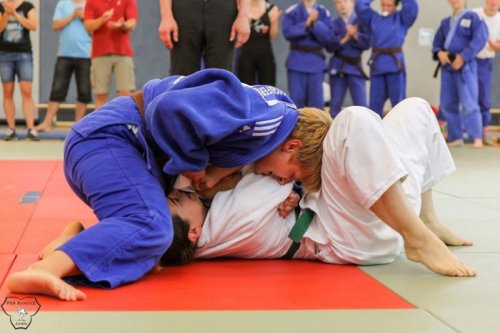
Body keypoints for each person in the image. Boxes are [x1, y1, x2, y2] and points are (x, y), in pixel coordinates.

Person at [5, 68, 331, 301]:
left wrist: (298, 193)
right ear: (292, 147)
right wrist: (196, 166)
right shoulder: (264, 117)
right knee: (150, 226)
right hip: (114, 139)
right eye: (294, 176)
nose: (284, 181)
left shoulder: (270, 124)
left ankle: (71, 244)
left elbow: (246, 163)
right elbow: (168, 108)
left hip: (121, 153)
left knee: (161, 247)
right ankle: (46, 270)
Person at [162, 98, 475, 278]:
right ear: (193, 233)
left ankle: (427, 220)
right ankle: (418, 239)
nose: (178, 191)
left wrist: (295, 187)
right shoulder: (220, 227)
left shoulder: (210, 208)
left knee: (416, 109)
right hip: (349, 236)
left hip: (381, 209)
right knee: (352, 121)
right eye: (175, 200)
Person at [433, 0, 488, 148]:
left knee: (469, 102)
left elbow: (480, 39)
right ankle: (455, 136)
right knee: (447, 103)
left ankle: (477, 136)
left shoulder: (473, 17)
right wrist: (439, 53)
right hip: (447, 67)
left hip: (465, 66)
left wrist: (463, 57)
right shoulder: (445, 22)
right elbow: (437, 42)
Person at [36, 0, 91, 133]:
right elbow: (56, 25)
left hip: (85, 54)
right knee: (57, 89)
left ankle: (78, 126)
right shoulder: (63, 3)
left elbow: (95, 27)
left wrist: (84, 17)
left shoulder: (90, 3)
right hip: (64, 54)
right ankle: (47, 123)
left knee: (83, 91)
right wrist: (73, 15)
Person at [356, 0, 418, 118]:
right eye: (383, 5)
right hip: (378, 65)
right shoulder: (373, 18)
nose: (385, 8)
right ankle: (375, 133)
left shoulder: (402, 19)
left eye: (389, 5)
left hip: (395, 65)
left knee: (399, 104)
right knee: (375, 104)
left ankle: (401, 132)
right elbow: (360, 6)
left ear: (396, 5)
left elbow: (412, 6)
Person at [158, 0, 251, 75]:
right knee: (182, 76)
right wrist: (166, 16)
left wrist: (244, 16)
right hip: (184, 8)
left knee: (220, 75)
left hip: (223, 9)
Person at [83, 0, 138, 109]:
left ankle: (125, 125)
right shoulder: (91, 2)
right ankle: (101, 125)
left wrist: (122, 25)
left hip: (123, 52)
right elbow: (88, 26)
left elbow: (132, 23)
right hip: (100, 53)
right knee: (100, 94)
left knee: (126, 94)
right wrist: (102, 19)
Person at [0, 0, 38, 140]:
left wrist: (15, 13)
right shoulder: (1, 6)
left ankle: (31, 129)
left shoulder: (28, 6)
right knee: (7, 91)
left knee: (26, 90)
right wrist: (6, 13)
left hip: (24, 54)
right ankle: (11, 129)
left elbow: (33, 26)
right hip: (5, 54)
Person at [325, 0, 369, 117]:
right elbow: (329, 46)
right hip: (338, 66)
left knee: (362, 106)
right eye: (338, 2)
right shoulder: (333, 23)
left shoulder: (361, 22)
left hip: (355, 67)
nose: (342, 5)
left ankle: (363, 133)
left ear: (353, 2)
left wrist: (355, 35)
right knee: (335, 106)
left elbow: (367, 44)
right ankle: (334, 134)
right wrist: (345, 37)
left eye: (345, 1)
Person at [473, 0, 500, 145]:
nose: (493, 2)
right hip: (469, 60)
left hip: (485, 62)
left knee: (484, 98)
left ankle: (484, 132)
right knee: (468, 98)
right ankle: (468, 132)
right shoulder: (475, 14)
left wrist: (493, 45)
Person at [237, 0, 281, 86]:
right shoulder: (242, 8)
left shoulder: (272, 8)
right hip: (246, 53)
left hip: (265, 54)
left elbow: (274, 36)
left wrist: (274, 21)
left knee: (269, 87)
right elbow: (238, 35)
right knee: (246, 87)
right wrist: (246, 21)